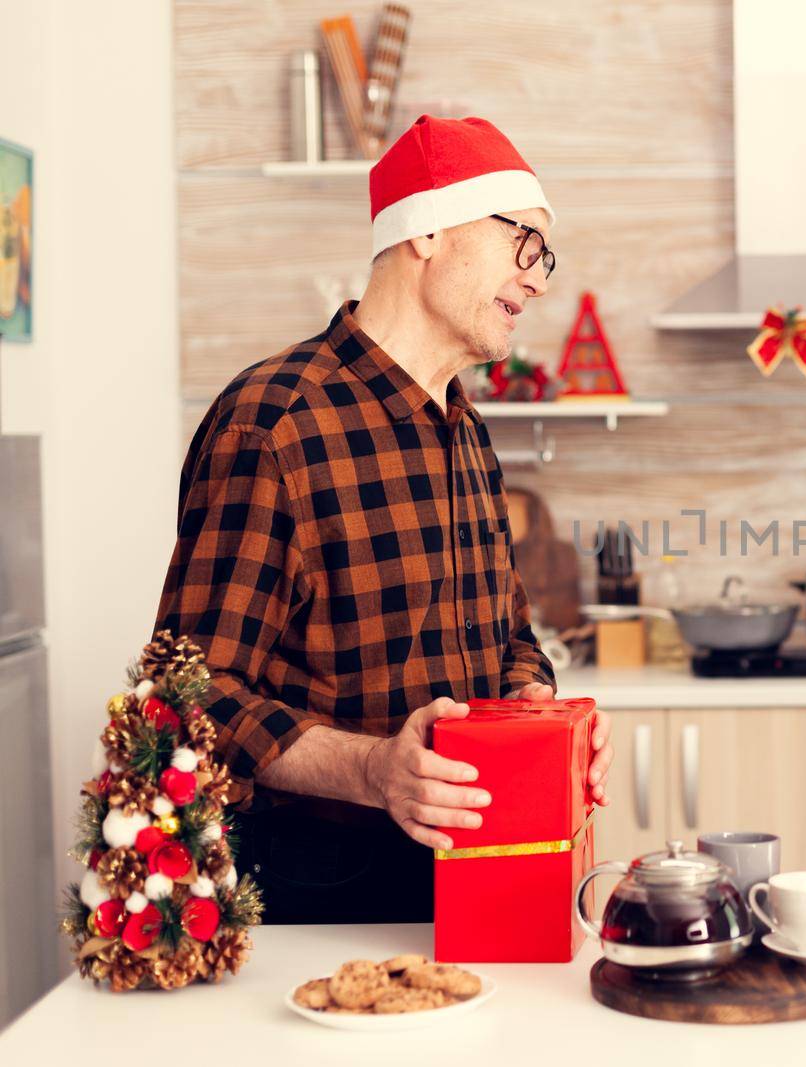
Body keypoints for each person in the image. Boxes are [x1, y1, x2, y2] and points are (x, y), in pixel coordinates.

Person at [156, 115, 613, 923]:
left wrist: (544, 723)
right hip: (320, 886)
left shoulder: (465, 427)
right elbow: (189, 691)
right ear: (429, 228)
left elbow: (509, 638)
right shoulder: (275, 423)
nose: (539, 280)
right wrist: (375, 769)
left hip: (476, 867)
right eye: (525, 245)